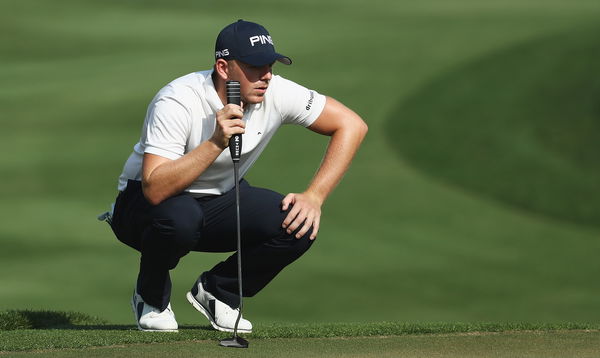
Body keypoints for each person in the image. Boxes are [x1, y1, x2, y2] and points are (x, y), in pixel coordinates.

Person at [106, 19, 367, 333]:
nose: (267, 76)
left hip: (218, 199)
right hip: (143, 208)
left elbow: (352, 125)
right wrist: (216, 142)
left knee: (298, 225)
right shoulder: (177, 99)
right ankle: (150, 298)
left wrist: (315, 196)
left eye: (270, 65)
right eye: (255, 67)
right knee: (181, 218)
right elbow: (155, 189)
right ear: (223, 67)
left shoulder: (276, 91)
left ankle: (218, 291)